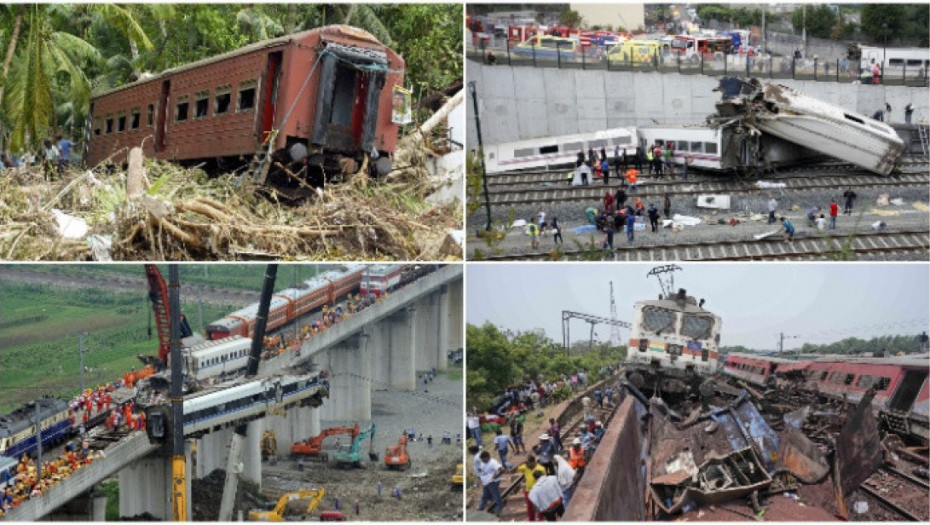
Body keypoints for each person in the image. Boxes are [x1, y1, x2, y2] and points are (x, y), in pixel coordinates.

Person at [516, 456, 547, 521]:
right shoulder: (525, 467)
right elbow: (513, 470)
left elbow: (544, 480)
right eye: (526, 463)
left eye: (528, 463)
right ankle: (531, 520)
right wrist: (521, 463)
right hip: (528, 491)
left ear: (533, 462)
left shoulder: (541, 468)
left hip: (538, 491)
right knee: (530, 508)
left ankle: (541, 519)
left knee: (540, 506)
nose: (527, 465)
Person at [476, 451, 504, 515]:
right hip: (486, 482)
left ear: (487, 457)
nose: (482, 461)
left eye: (483, 459)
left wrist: (496, 475)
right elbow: (482, 467)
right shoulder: (483, 462)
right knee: (484, 496)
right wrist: (480, 470)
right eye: (482, 460)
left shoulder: (493, 462)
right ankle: (480, 508)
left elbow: (502, 469)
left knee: (496, 495)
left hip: (492, 482)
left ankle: (499, 507)